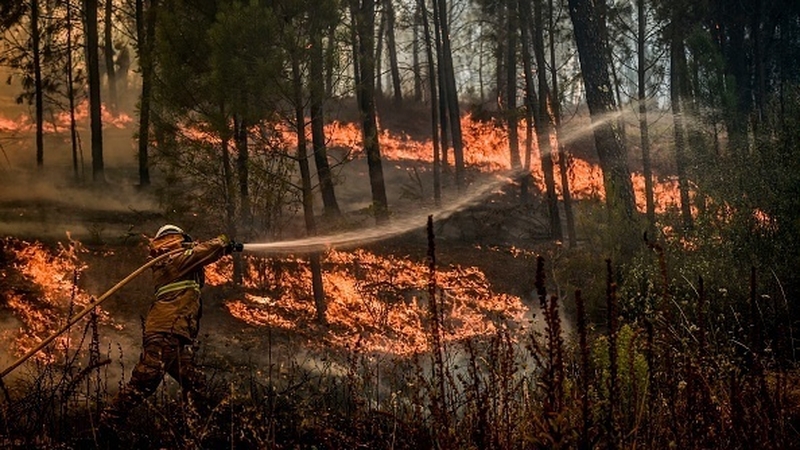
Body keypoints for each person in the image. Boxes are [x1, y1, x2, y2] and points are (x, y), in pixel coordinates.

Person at [100, 225, 243, 434]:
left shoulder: (172, 260)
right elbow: (203, 253)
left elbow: (197, 267)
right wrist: (224, 242)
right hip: (166, 332)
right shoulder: (174, 259)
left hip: (173, 334)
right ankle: (108, 424)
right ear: (177, 239)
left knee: (195, 384)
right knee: (145, 381)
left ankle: (191, 430)